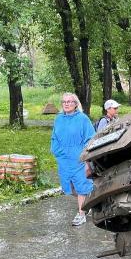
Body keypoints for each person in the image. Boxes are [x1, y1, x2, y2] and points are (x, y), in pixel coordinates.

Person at [51, 92, 95, 226]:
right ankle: (90, 201)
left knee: (81, 184)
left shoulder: (83, 119)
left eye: (70, 101)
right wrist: (57, 152)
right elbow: (54, 138)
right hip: (64, 159)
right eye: (64, 102)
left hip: (79, 158)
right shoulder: (58, 119)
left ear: (76, 104)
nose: (67, 104)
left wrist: (86, 157)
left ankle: (81, 213)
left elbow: (90, 139)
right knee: (69, 187)